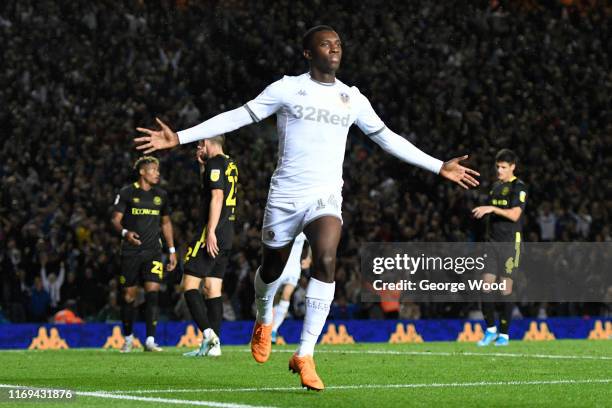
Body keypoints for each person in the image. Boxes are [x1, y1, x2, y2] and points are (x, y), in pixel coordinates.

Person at [135, 25, 479, 390]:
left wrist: (438, 165)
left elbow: (388, 138)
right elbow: (238, 115)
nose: (334, 49)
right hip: (285, 197)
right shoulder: (287, 88)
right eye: (325, 44)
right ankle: (263, 317)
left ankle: (305, 353)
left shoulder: (353, 98)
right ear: (308, 53)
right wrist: (181, 137)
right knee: (272, 269)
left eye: (338, 44)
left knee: (328, 257)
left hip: (325, 196)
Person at [111, 156, 177, 352]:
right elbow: (115, 219)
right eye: (153, 169)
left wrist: (171, 250)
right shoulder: (127, 192)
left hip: (153, 252)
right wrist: (125, 233)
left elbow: (166, 222)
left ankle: (150, 340)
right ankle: (129, 338)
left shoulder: (161, 195)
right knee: (129, 296)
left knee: (153, 293)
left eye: (158, 170)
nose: (157, 173)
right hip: (131, 251)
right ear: (142, 172)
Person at [182, 136, 239, 357]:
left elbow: (217, 197)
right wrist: (202, 168)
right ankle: (214, 347)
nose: (198, 148)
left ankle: (207, 334)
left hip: (212, 231)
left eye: (199, 144)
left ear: (208, 141)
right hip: (228, 232)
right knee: (212, 288)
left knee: (188, 285)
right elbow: (212, 189)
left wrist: (211, 231)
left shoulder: (215, 162)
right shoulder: (229, 163)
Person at [472, 149, 527, 346]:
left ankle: (504, 334)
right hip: (492, 243)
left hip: (510, 244)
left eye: (503, 167)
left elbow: (514, 215)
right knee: (485, 285)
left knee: (505, 289)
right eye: (497, 167)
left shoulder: (519, 188)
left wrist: (492, 208)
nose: (499, 171)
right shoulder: (495, 187)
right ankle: (490, 330)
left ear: (513, 167)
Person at [271, 233, 310, 344]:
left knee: (286, 295)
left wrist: (308, 258)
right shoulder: (283, 224)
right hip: (279, 267)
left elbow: (312, 242)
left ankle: (273, 330)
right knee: (271, 299)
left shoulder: (303, 229)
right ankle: (266, 328)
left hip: (293, 268)